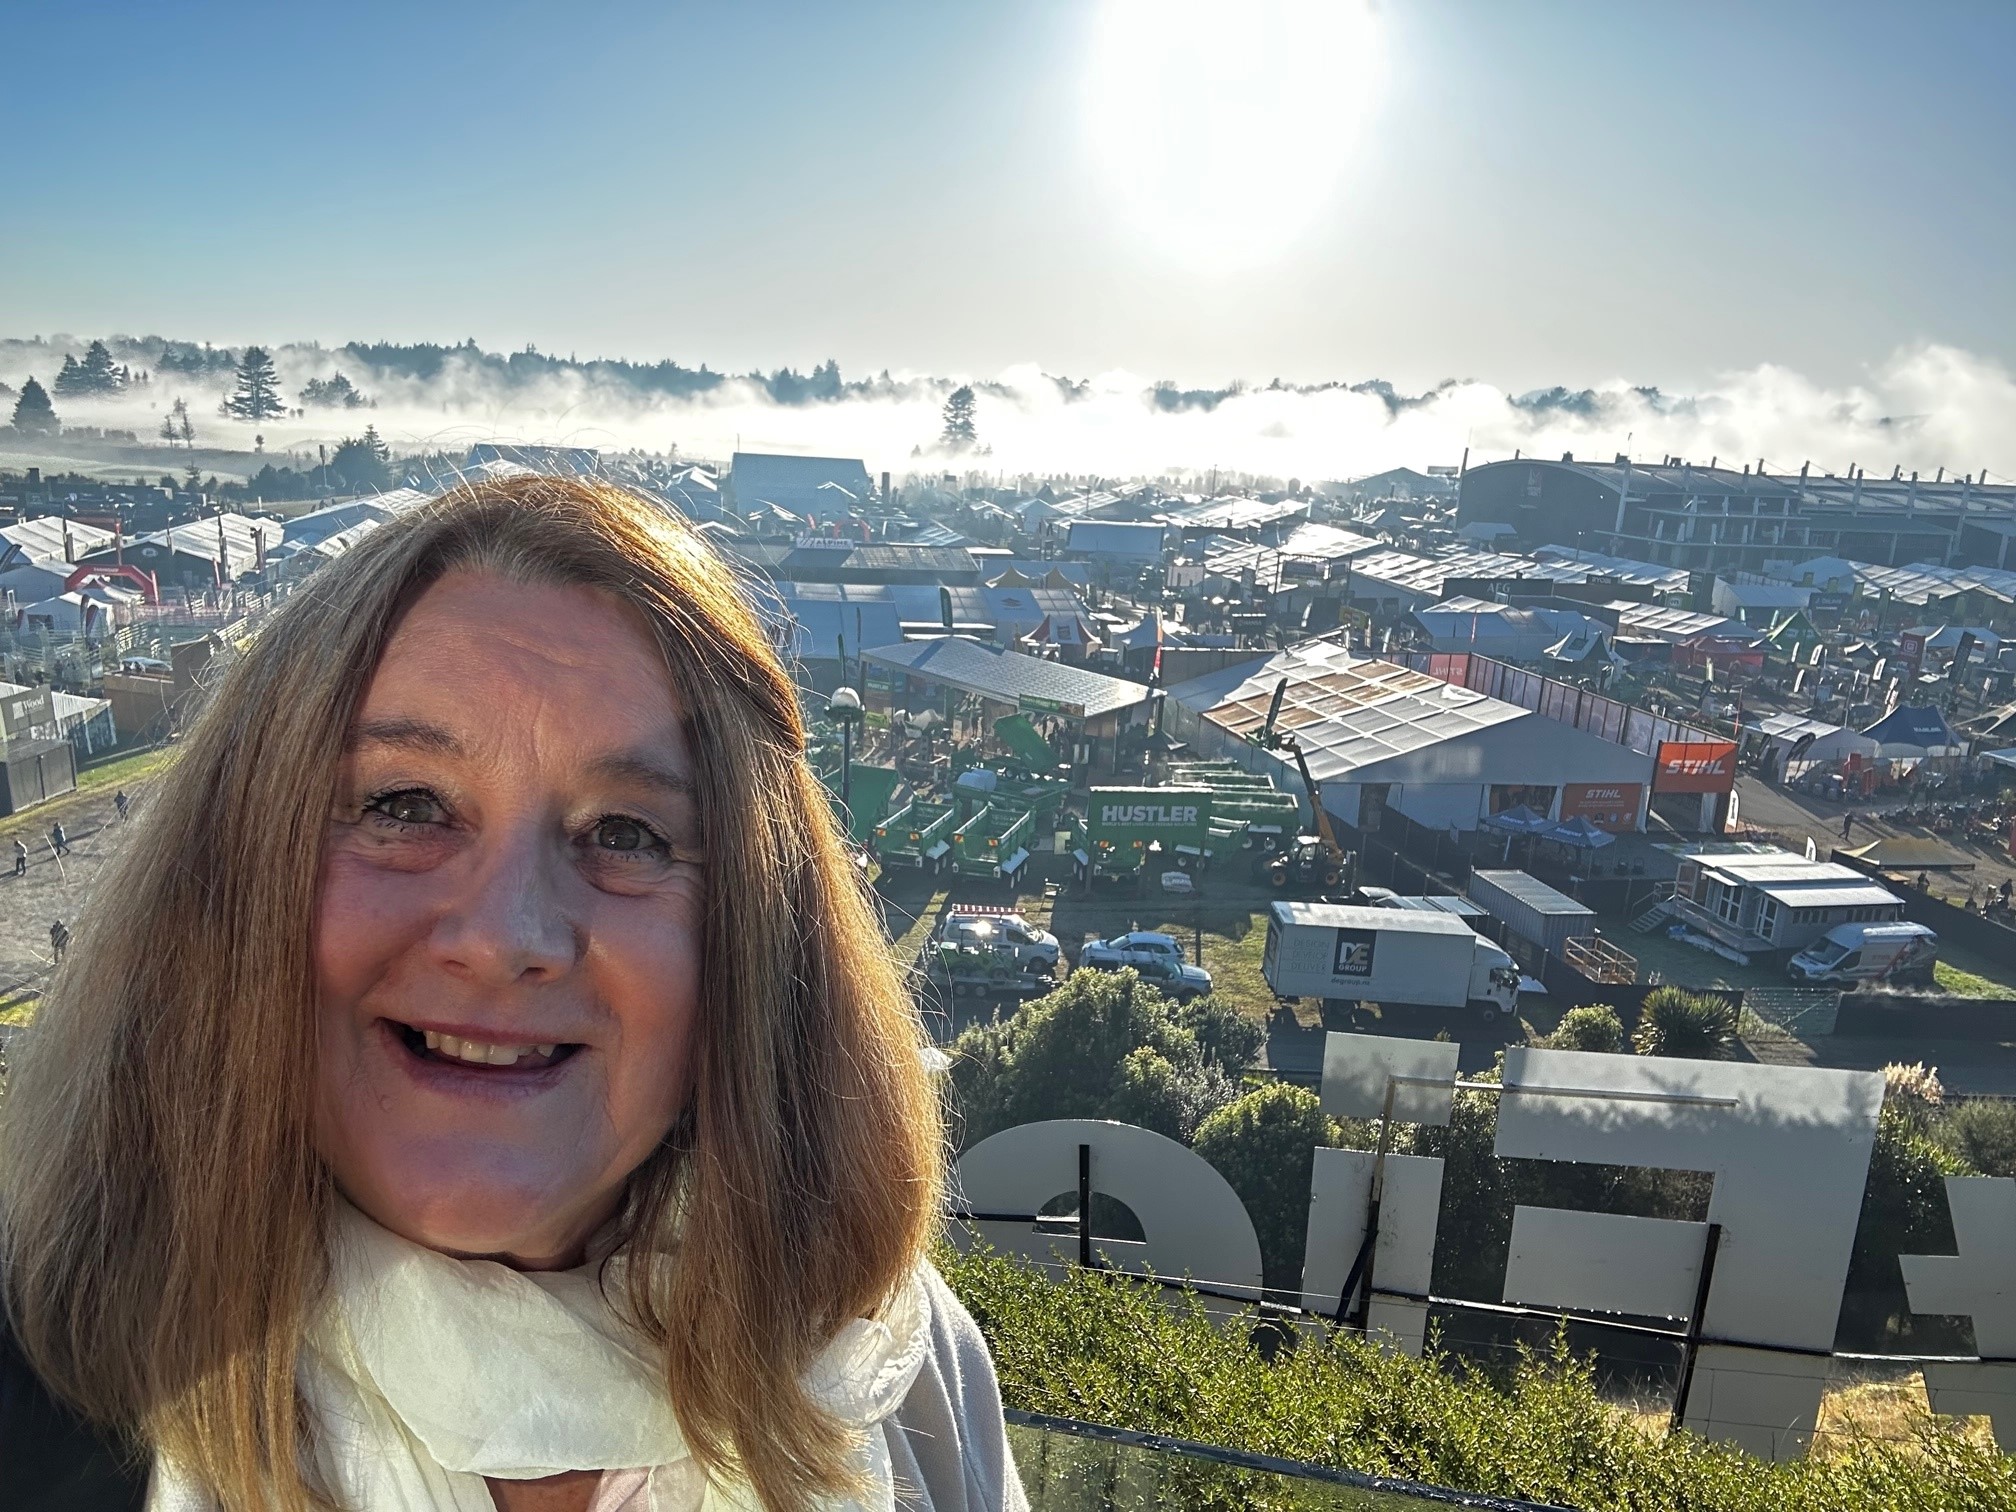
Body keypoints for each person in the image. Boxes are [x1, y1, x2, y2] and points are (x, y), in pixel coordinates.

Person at [0, 477, 1022, 1512]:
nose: (504, 937)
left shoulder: (895, 1360)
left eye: (626, 834)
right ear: (233, 875)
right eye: (406, 805)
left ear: (751, 939)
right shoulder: (50, 1411)